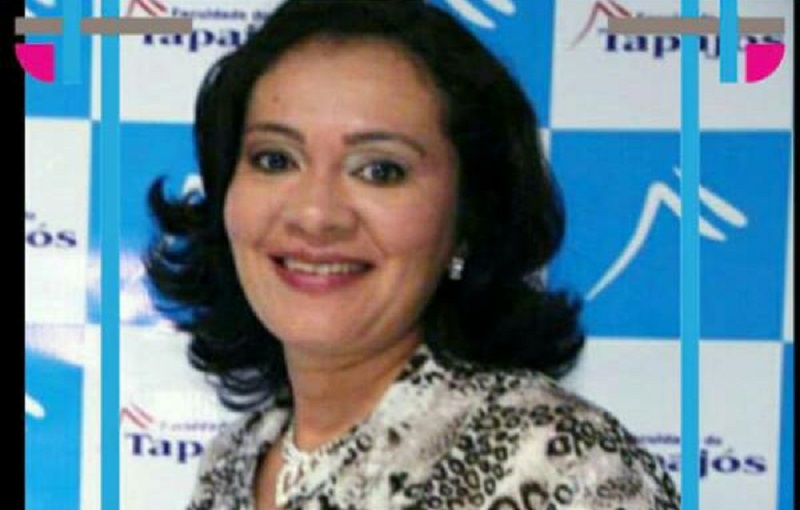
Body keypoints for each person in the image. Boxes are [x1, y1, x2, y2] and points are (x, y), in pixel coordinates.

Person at [145, 0, 681, 508]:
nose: (314, 213)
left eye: (380, 170)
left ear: (468, 219)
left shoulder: (562, 467)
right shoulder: (233, 461)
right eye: (275, 160)